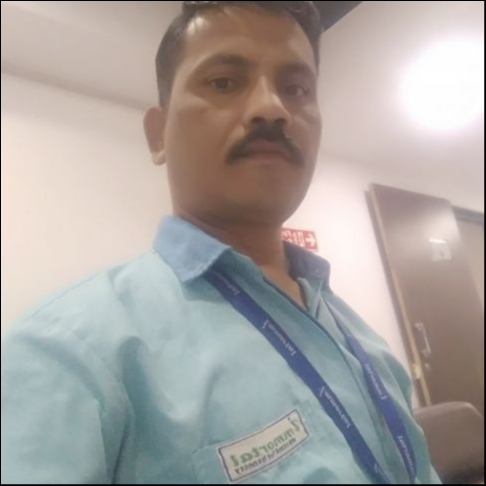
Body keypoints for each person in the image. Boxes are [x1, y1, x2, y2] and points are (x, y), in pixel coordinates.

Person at [1, 1, 441, 484]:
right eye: (224, 82)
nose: (272, 108)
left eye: (296, 89)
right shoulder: (66, 354)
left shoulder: (364, 340)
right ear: (158, 135)